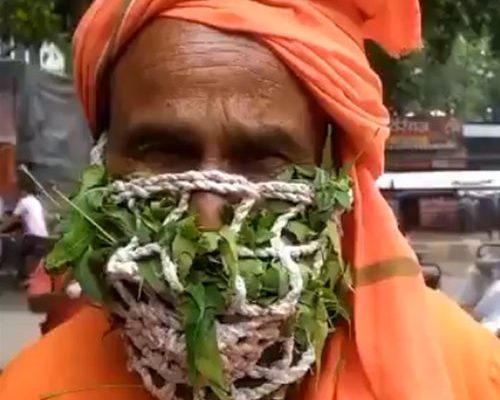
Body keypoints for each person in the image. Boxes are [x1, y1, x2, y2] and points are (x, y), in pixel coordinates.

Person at [1, 1, 500, 400]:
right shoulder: (34, 389)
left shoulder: (470, 376)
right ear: (102, 165)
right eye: (163, 152)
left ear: (333, 175)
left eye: (262, 156)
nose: (208, 213)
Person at [0, 184, 49, 283]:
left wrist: (1, 228)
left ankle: (23, 277)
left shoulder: (23, 201)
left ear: (24, 192)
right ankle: (27, 276)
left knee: (19, 252)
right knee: (30, 254)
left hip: (32, 237)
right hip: (44, 236)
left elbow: (11, 220)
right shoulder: (36, 201)